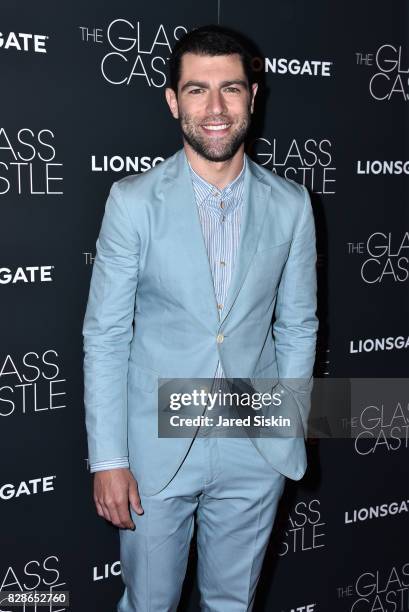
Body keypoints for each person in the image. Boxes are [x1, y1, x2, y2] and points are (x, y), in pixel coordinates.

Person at [82, 24, 318, 612]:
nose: (215, 108)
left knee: (232, 604)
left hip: (253, 449)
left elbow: (298, 325)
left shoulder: (291, 204)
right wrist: (110, 459)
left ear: (252, 98)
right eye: (196, 90)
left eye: (230, 89)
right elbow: (106, 336)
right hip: (156, 446)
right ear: (172, 100)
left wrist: (283, 428)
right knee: (149, 604)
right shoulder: (132, 201)